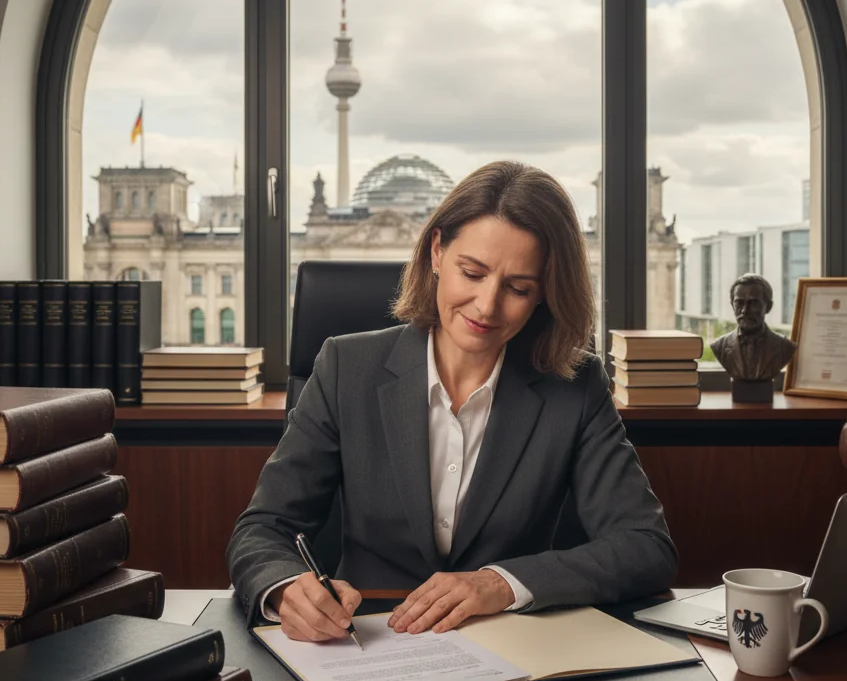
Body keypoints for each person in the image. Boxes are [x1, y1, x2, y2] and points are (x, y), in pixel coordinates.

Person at [226, 161, 677, 644]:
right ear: (437, 252)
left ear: (544, 292)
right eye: (473, 272)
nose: (486, 306)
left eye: (518, 288)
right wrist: (286, 589)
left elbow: (645, 547)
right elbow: (264, 529)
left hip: (512, 650)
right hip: (365, 643)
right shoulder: (346, 366)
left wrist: (501, 583)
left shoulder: (575, 386)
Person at [709, 273, 797, 382]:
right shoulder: (720, 346)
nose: (744, 310)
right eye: (739, 304)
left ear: (768, 307)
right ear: (732, 305)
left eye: (753, 304)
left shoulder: (785, 347)